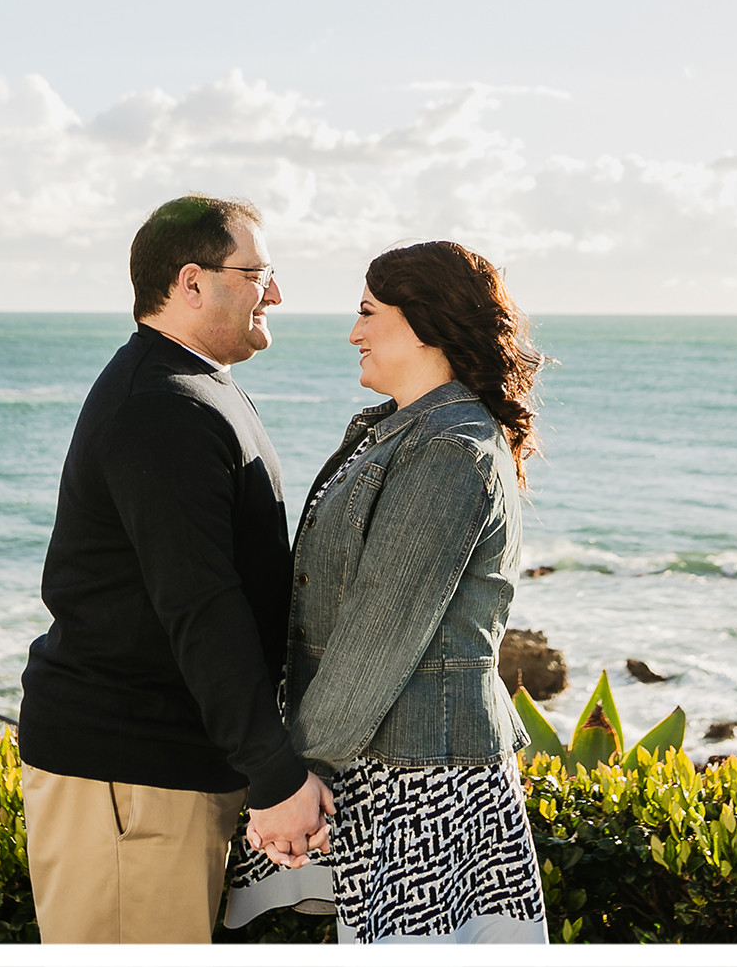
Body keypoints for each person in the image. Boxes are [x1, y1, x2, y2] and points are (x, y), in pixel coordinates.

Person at [17, 194, 337, 943]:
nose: (277, 293)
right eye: (258, 272)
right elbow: (201, 605)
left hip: (158, 772)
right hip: (130, 774)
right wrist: (275, 773)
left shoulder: (196, 388)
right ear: (192, 283)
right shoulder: (161, 406)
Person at [219, 240, 550, 945]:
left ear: (425, 323)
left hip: (422, 778)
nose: (354, 332)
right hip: (387, 760)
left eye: (369, 312)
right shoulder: (404, 432)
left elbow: (379, 631)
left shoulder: (447, 448)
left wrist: (291, 776)